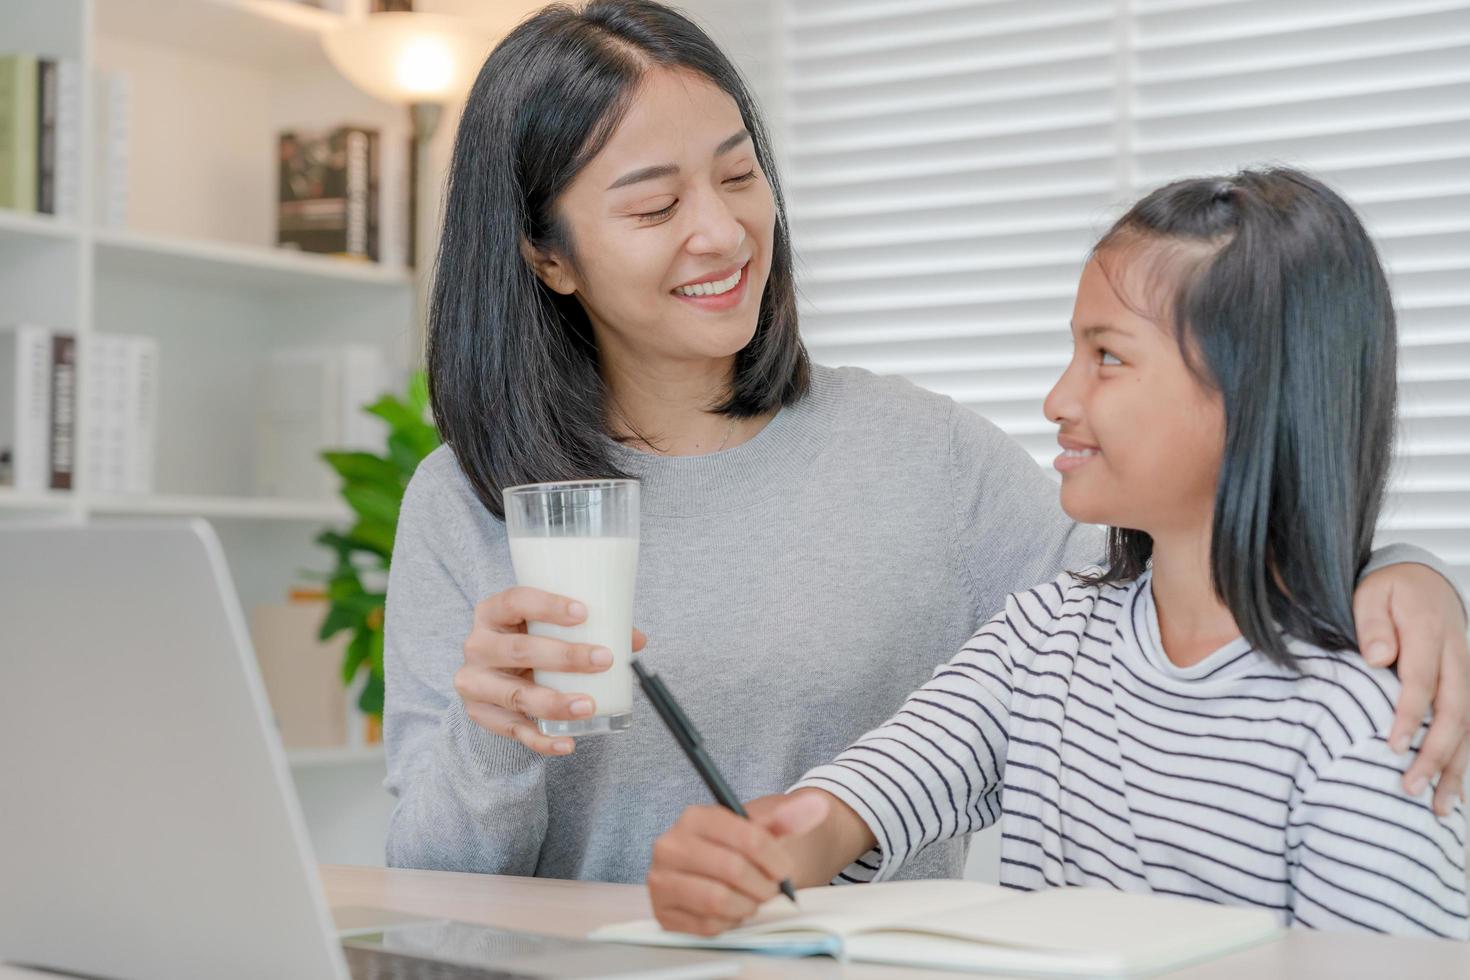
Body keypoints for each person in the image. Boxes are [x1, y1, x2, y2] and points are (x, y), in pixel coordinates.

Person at [382, 0, 1470, 886]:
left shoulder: (923, 459)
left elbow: (1177, 578)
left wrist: (1399, 571)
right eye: (654, 204)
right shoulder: (467, 499)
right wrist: (493, 736)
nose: (721, 230)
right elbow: (424, 885)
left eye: (738, 173)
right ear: (547, 254)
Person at [644, 169, 1469, 939]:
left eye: (1108, 357)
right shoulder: (1047, 636)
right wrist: (765, 851)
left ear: (1256, 397)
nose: (1058, 400)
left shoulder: (1367, 722)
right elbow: (875, 792)